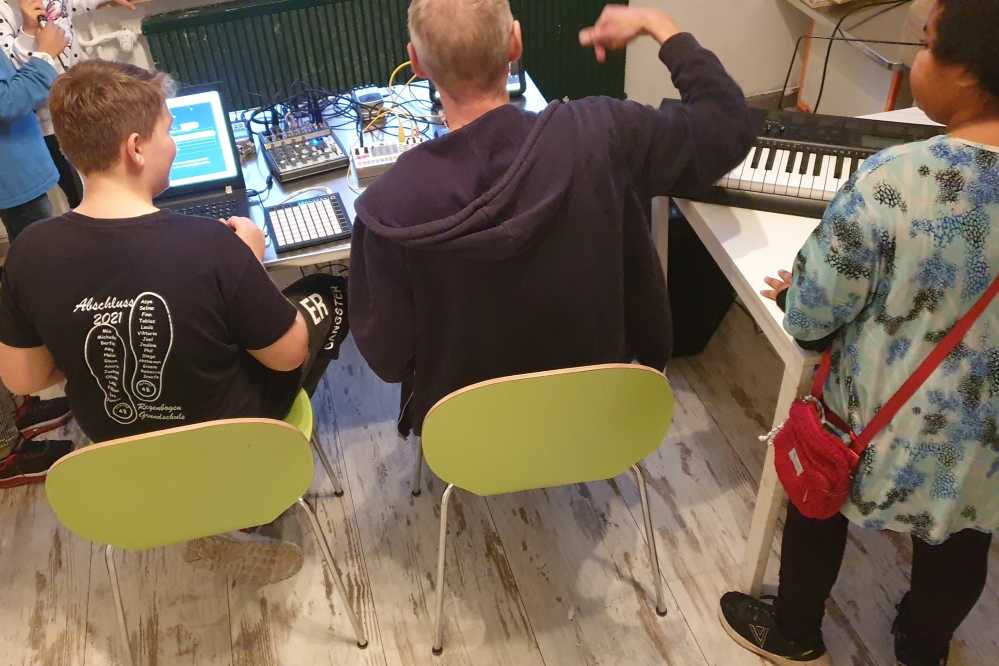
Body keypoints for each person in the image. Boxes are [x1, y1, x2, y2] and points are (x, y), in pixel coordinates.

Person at [719, 2, 998, 665]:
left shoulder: (894, 180)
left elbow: (813, 313)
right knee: (962, 540)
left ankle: (794, 632)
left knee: (817, 504)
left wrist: (794, 296)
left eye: (925, 44)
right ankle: (921, 648)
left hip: (869, 427)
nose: (914, 59)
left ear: (966, 72)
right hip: (982, 448)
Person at [0, 60, 349, 582]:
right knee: (328, 293)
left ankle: (176, 484)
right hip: (230, 441)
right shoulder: (212, 246)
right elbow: (287, 356)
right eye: (169, 131)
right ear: (136, 149)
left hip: (119, 449)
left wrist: (81, 348)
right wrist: (249, 265)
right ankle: (248, 510)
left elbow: (24, 378)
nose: (176, 144)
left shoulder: (28, 251)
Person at [350, 2, 755, 436]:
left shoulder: (387, 208)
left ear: (415, 62)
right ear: (516, 43)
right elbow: (727, 124)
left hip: (471, 440)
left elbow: (390, 360)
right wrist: (657, 24)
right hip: (602, 418)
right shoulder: (603, 132)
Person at [2, 0, 139, 209]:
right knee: (80, 192)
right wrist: (28, 32)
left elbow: (73, 4)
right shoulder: (4, 12)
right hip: (49, 124)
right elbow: (14, 73)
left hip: (84, 102)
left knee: (111, 175)